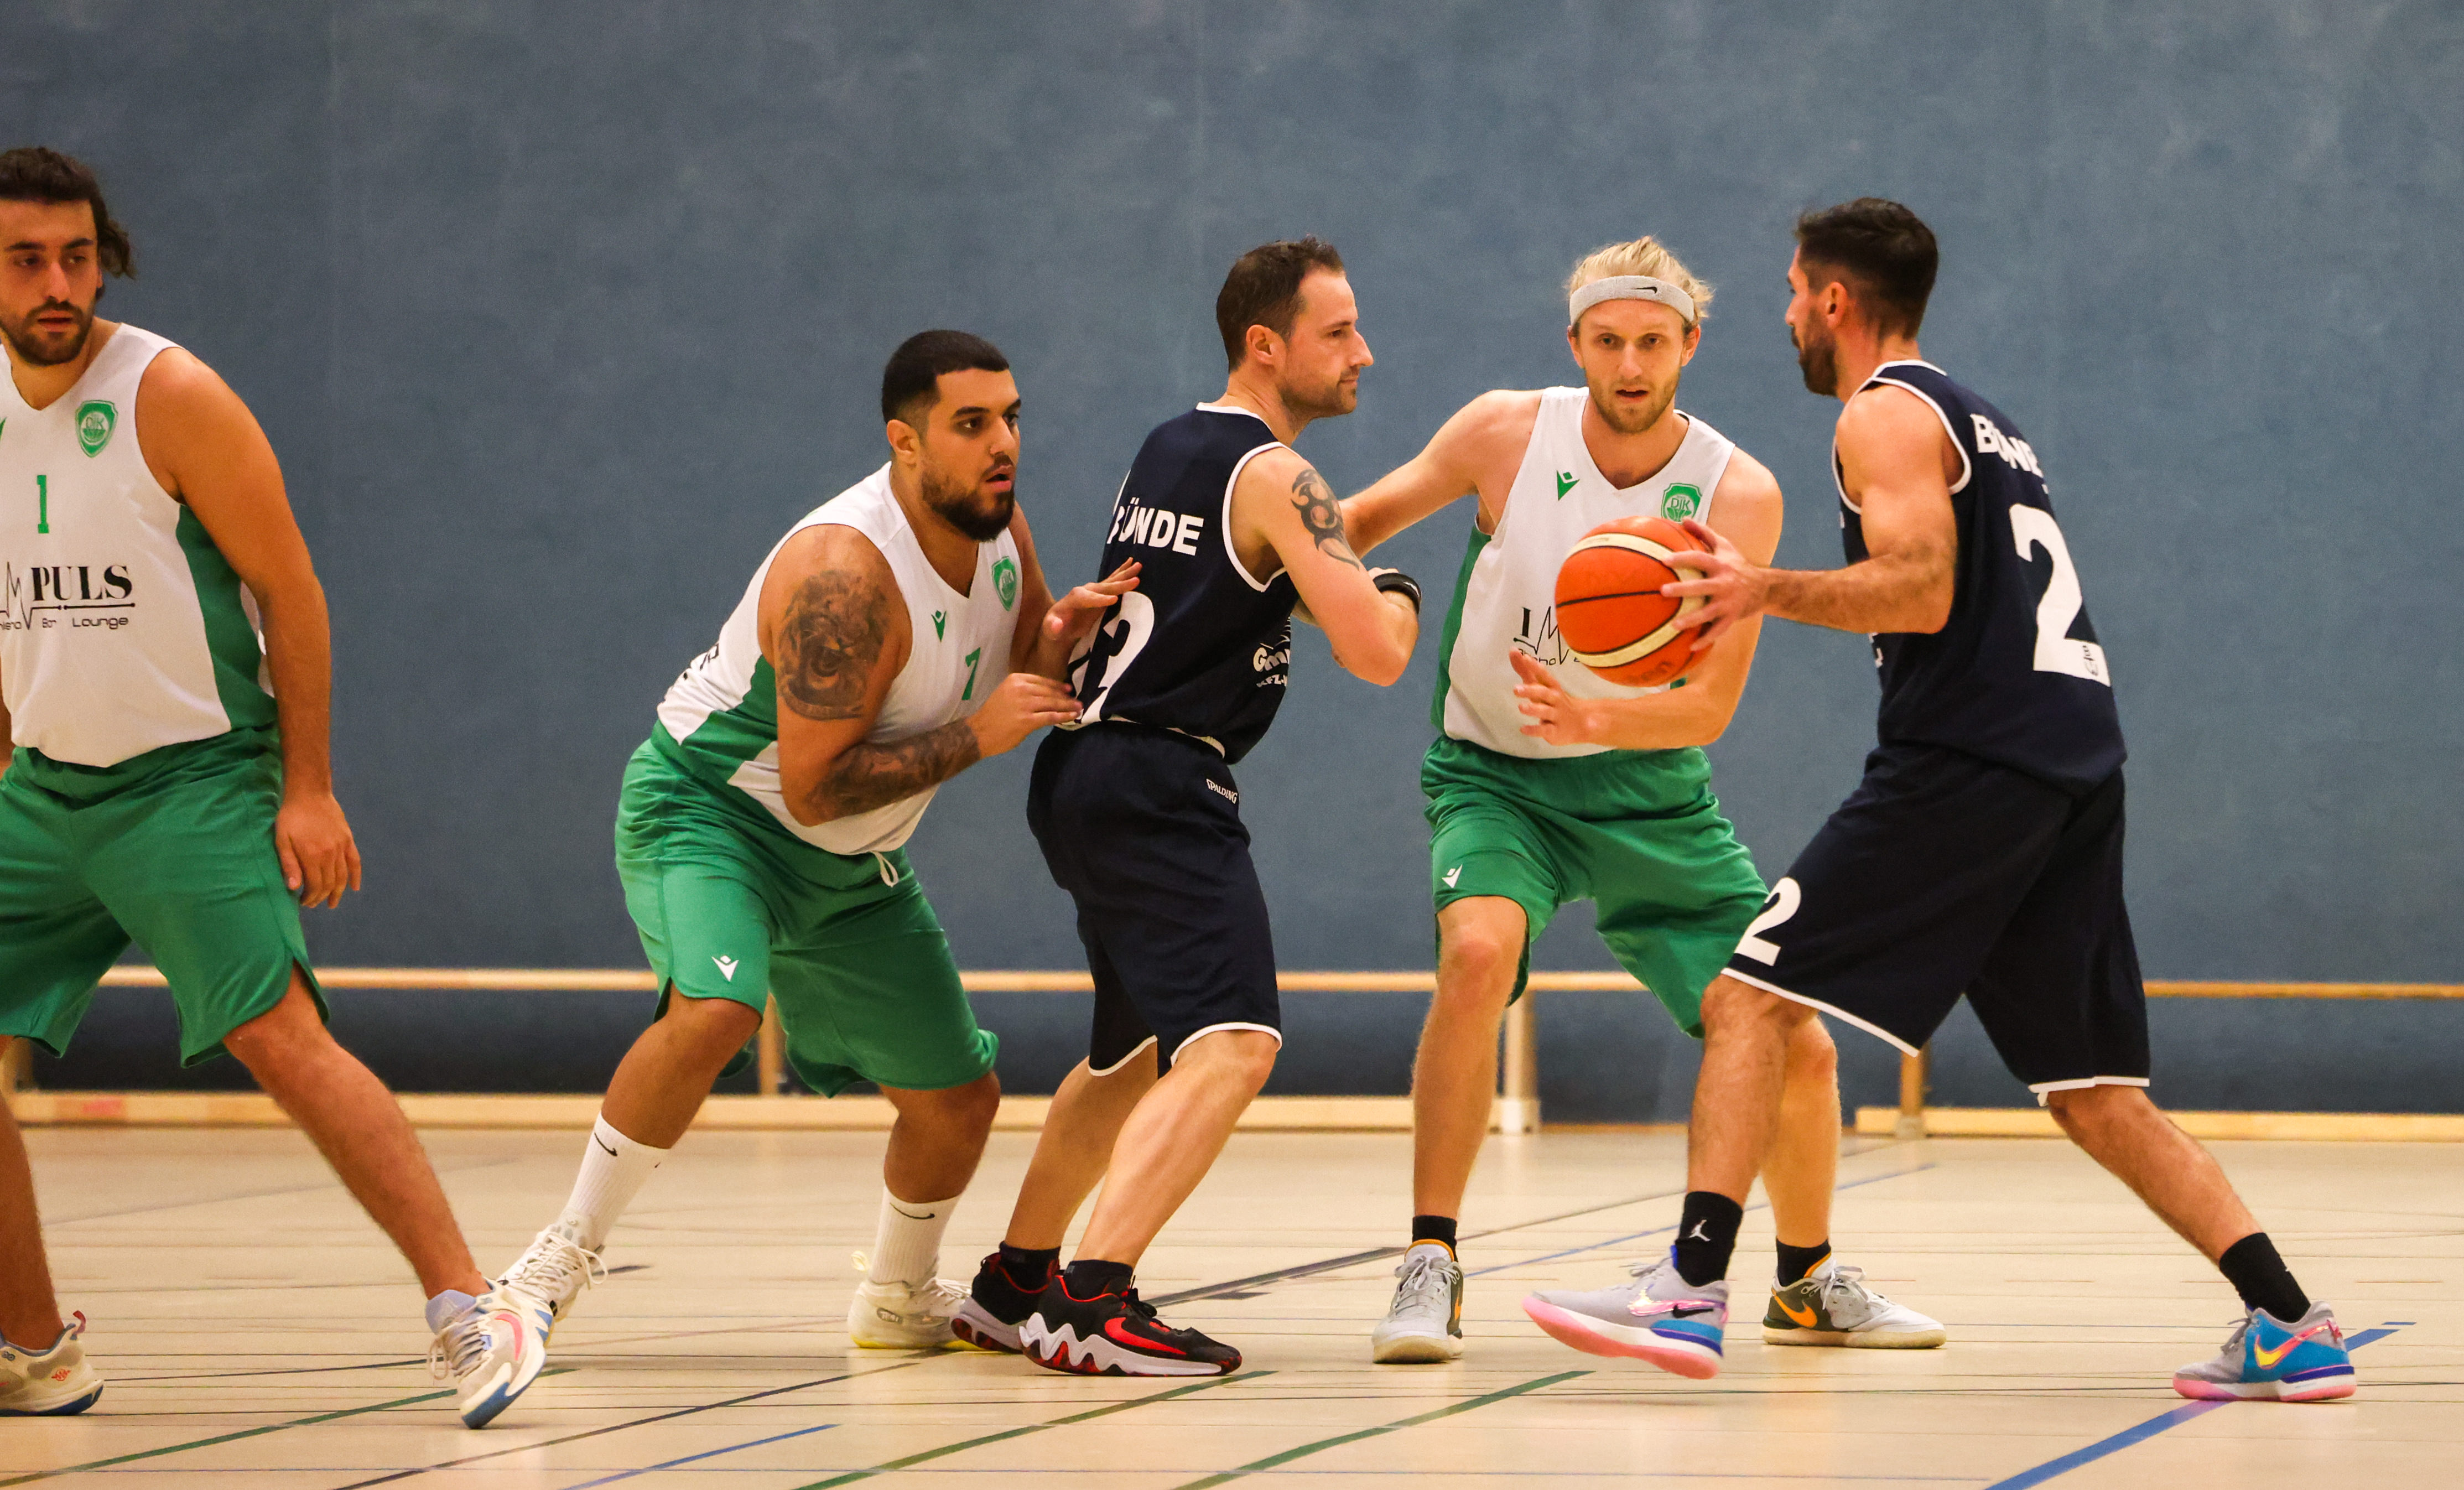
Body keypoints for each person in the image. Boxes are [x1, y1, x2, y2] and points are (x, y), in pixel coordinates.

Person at [1528, 198, 2356, 1402]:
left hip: (1971, 758)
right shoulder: (1986, 420)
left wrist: (1755, 587)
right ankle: (2289, 1321)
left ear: (1834, 301)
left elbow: (1918, 588)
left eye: (1793, 293)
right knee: (2093, 1094)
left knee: (1745, 998)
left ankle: (1690, 1287)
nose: (1785, 316)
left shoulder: (1882, 412)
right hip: (2073, 763)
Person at [0, 146, 547, 1427]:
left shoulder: (172, 395)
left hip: (189, 785)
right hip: (44, 794)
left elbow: (291, 593)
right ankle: (33, 1349)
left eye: (77, 256)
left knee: (279, 1040)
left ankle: (472, 1307)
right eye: (26, 260)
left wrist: (309, 787)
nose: (57, 283)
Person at [1342, 236, 1943, 1370]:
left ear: (1689, 346)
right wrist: (1269, 569)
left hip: (1651, 796)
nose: (1629, 364)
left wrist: (1595, 720)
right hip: (1495, 776)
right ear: (1575, 343)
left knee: (1795, 1043)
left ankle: (1806, 1281)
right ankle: (1429, 1260)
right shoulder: (1504, 433)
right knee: (1476, 956)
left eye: (1652, 342)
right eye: (1609, 341)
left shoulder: (1736, 492)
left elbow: (1707, 708)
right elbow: (1350, 526)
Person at [493, 331, 1132, 1358]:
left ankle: (897, 1295)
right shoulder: (845, 573)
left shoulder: (999, 525)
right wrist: (981, 736)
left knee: (957, 1101)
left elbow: (1021, 656)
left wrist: (1060, 634)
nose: (1003, 443)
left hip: (846, 861)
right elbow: (813, 785)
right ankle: (551, 1264)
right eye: (971, 423)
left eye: (1011, 417)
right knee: (718, 1010)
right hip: (714, 815)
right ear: (905, 441)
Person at [952, 237, 1421, 1377]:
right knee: (1236, 1042)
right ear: (1266, 344)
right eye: (1338, 332)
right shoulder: (1279, 475)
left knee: (1132, 1055)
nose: (1363, 352)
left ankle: (1014, 1284)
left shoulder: (1174, 445)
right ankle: (1094, 1301)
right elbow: (1375, 651)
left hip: (1084, 773)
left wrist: (1358, 546)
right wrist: (1399, 590)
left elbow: (1259, 576)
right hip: (1160, 779)